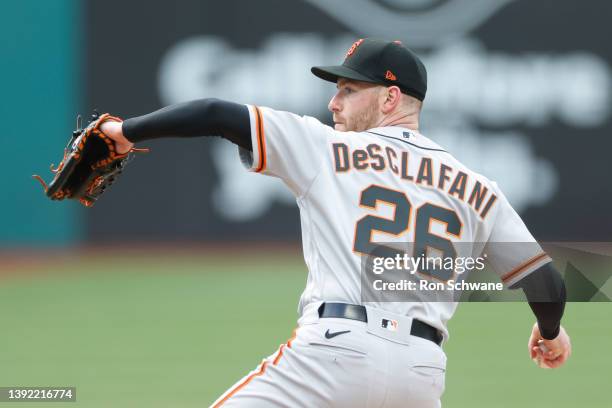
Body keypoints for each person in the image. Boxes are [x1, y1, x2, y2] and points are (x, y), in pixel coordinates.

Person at [99, 38, 571, 407]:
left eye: (348, 89)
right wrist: (550, 334)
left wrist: (125, 133)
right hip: (421, 375)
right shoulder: (478, 188)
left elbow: (214, 113)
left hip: (334, 353)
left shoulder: (328, 148)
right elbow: (546, 282)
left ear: (390, 98)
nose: (334, 103)